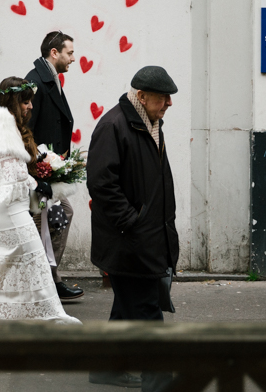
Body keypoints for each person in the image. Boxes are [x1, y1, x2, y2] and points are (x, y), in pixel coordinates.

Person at [0, 77, 81, 325]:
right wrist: (41, 185)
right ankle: (52, 320)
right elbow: (12, 180)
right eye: (26, 102)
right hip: (9, 209)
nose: (30, 106)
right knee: (36, 264)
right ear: (13, 102)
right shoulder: (6, 132)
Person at [87, 66, 179, 391]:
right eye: (163, 97)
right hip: (129, 242)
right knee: (146, 312)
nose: (169, 103)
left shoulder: (151, 124)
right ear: (141, 95)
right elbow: (101, 183)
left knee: (128, 309)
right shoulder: (114, 125)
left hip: (146, 239)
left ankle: (107, 368)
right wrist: (132, 223)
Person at [25, 30, 84, 301]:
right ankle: (45, 280)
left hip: (50, 170)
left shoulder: (48, 79)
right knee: (45, 223)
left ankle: (48, 278)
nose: (73, 58)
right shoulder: (36, 82)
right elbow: (27, 130)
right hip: (41, 174)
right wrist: (39, 171)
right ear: (54, 52)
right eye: (70, 53)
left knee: (52, 221)